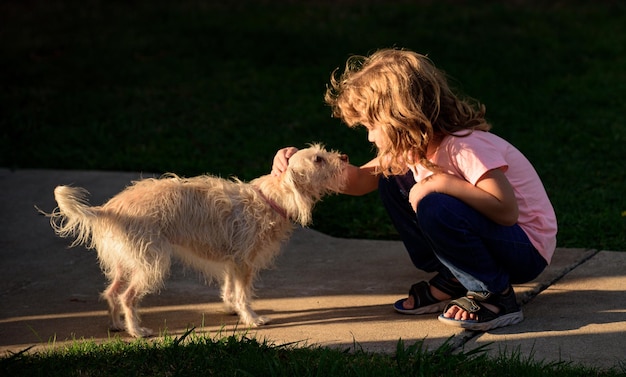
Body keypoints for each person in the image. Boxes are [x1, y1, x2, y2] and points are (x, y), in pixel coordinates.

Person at [271, 48, 557, 331]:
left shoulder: (465, 147)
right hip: (495, 240)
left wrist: (441, 183)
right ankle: (454, 276)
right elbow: (358, 181)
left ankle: (495, 295)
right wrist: (301, 164)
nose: (369, 135)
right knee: (390, 178)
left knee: (435, 204)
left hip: (525, 249)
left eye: (371, 124)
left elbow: (507, 211)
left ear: (401, 116)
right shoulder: (409, 150)